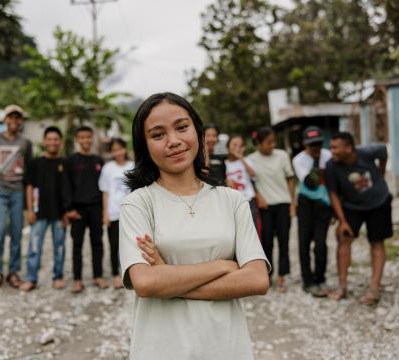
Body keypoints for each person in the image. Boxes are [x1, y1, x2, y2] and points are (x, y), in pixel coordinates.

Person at [119, 92, 270, 360]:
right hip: (162, 349)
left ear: (199, 134)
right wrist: (223, 266)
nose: (173, 141)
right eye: (158, 135)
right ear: (145, 146)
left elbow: (257, 279)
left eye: (182, 127)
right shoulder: (138, 204)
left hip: (226, 347)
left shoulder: (232, 200)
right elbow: (145, 282)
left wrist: (168, 276)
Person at [326, 132, 392, 305]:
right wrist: (343, 221)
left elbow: (384, 150)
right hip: (352, 206)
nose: (331, 151)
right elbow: (332, 193)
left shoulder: (368, 152)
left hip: (379, 202)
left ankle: (374, 288)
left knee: (377, 242)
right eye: (330, 147)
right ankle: (342, 286)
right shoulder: (331, 165)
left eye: (335, 147)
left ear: (348, 148)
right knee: (344, 238)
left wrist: (381, 173)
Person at [20, 127, 71, 292]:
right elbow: (29, 187)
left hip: (59, 213)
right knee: (34, 246)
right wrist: (29, 210)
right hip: (39, 212)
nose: (52, 142)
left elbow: (67, 190)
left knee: (60, 247)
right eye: (49, 139)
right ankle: (31, 278)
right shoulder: (36, 163)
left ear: (60, 142)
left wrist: (67, 212)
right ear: (44, 142)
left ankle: (58, 276)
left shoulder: (64, 163)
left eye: (56, 139)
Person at [0, 105, 33, 288]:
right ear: (5, 119)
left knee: (16, 233)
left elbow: (29, 168)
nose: (14, 121)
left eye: (17, 118)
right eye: (10, 118)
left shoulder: (26, 143)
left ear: (21, 121)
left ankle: (13, 272)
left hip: (17, 193)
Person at [247, 127, 296, 292]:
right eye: (268, 143)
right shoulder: (250, 160)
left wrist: (292, 203)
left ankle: (282, 275)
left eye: (273, 142)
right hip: (265, 207)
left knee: (284, 241)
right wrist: (257, 195)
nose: (272, 145)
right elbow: (248, 182)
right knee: (266, 243)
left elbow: (290, 179)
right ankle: (267, 275)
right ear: (259, 144)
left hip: (283, 203)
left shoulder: (282, 155)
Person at [66, 126, 108, 293]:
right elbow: (66, 186)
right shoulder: (71, 161)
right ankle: (77, 279)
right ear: (77, 139)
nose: (85, 141)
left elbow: (105, 187)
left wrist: (104, 210)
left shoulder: (99, 161)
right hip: (78, 209)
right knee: (77, 244)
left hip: (96, 208)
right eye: (82, 137)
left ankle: (98, 275)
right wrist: (69, 209)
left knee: (97, 243)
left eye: (88, 137)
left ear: (92, 139)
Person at [292, 126, 332, 297]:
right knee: (304, 243)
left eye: (318, 144)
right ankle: (307, 281)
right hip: (306, 203)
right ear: (304, 144)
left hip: (324, 204)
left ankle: (320, 278)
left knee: (321, 243)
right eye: (311, 145)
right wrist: (316, 161)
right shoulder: (299, 160)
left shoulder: (328, 155)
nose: (315, 148)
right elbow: (310, 182)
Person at [98, 138, 134, 289]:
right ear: (111, 152)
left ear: (125, 149)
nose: (118, 152)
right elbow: (105, 192)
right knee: (114, 245)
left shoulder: (132, 166)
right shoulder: (108, 168)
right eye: (115, 150)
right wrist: (105, 213)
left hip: (130, 213)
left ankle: (131, 273)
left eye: (120, 149)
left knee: (130, 245)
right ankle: (115, 274)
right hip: (113, 213)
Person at [225, 134, 257, 223]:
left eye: (240, 145)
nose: (237, 148)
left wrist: (241, 158)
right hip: (233, 203)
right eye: (234, 145)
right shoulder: (225, 164)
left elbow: (253, 175)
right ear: (228, 147)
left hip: (249, 200)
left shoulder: (247, 160)